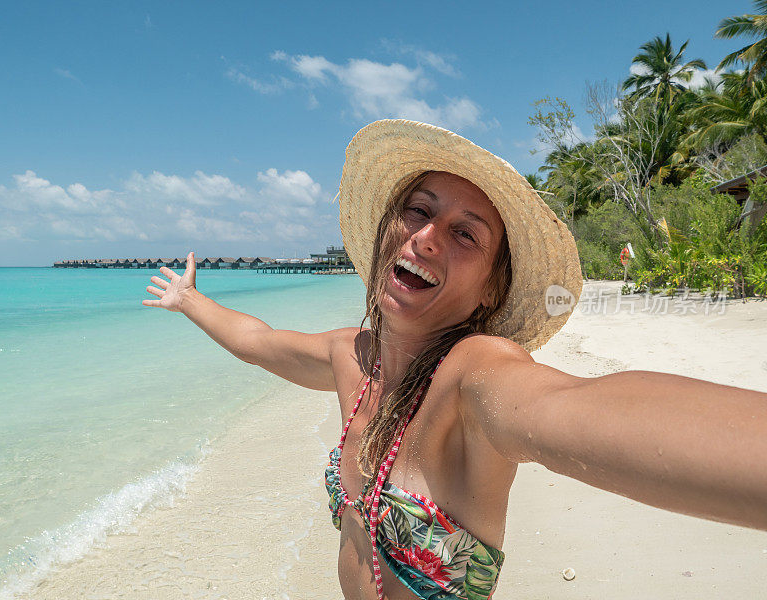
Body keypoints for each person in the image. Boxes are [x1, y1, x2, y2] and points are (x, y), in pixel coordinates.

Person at [143, 120, 767, 600]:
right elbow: (259, 340)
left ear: (492, 288)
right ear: (389, 227)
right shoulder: (351, 356)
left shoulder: (476, 377)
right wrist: (191, 300)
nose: (428, 235)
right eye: (418, 208)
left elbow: (570, 408)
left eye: (466, 233)